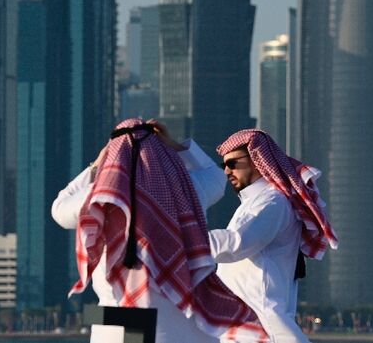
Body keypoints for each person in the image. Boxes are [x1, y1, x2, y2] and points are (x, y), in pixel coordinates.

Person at [51, 118, 269, 343]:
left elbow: (59, 209)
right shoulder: (188, 187)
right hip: (179, 316)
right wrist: (174, 145)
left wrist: (96, 165)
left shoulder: (98, 195)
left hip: (115, 317)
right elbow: (215, 177)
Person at [210, 129, 338, 343]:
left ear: (256, 160)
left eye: (232, 164)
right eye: (224, 165)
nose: (226, 171)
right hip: (241, 329)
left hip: (263, 329)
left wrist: (184, 240)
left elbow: (235, 244)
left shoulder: (272, 203)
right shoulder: (254, 203)